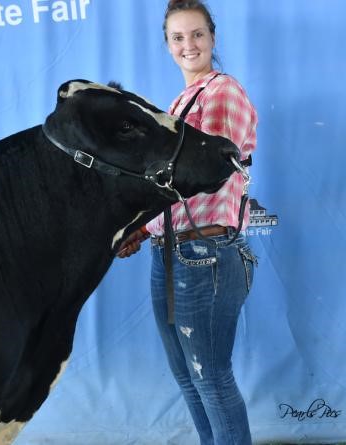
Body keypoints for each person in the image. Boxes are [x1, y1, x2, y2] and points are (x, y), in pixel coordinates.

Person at [117, 1, 258, 443]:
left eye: (197, 34)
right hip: (172, 252)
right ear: (167, 45)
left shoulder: (222, 92)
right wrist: (142, 229)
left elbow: (204, 173)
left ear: (213, 38)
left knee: (211, 378)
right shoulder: (179, 104)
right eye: (178, 38)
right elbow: (173, 195)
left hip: (205, 252)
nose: (188, 45)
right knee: (189, 379)